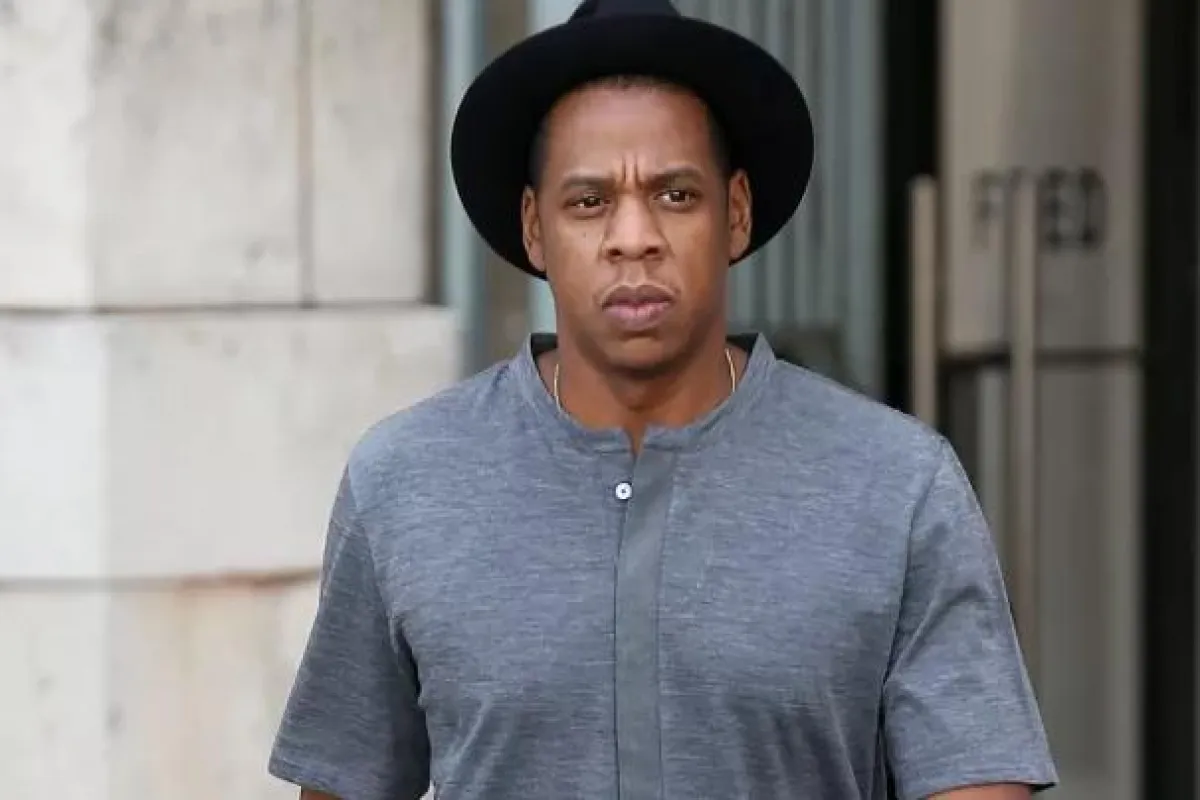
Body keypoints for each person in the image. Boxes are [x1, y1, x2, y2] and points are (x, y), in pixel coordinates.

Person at [268, 1, 1058, 798]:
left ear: (735, 214)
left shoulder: (896, 485)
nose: (633, 237)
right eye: (589, 202)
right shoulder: (406, 481)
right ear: (534, 229)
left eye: (675, 195)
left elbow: (978, 780)